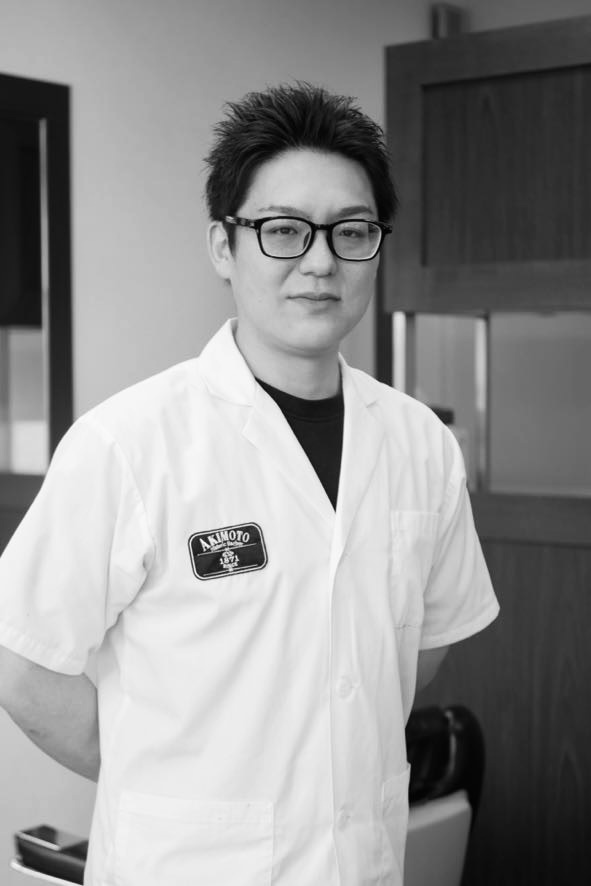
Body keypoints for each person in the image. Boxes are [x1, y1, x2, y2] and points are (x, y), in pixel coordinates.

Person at [0, 82, 499, 886]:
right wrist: (177, 778)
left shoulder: (421, 445)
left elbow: (418, 653)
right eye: (282, 229)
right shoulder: (127, 443)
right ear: (222, 247)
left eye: (352, 231)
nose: (320, 261)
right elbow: (24, 668)